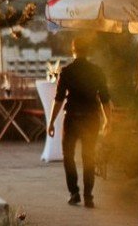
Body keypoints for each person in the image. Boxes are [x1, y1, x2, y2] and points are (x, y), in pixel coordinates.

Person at [47, 37, 112, 208]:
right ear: (89, 51)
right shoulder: (97, 71)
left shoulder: (67, 71)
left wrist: (51, 121)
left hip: (72, 118)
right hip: (91, 118)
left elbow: (59, 99)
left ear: (73, 49)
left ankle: (74, 193)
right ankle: (88, 196)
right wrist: (108, 121)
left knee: (68, 155)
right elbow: (105, 99)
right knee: (88, 156)